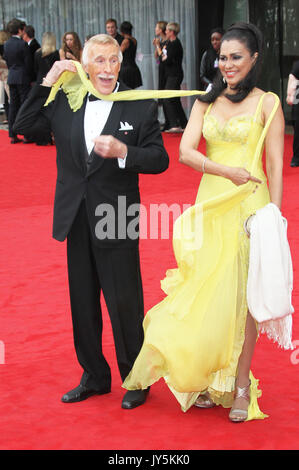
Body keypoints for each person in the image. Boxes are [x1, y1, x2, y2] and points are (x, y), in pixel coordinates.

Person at [123, 22, 284, 423]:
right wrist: (223, 170)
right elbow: (187, 152)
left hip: (251, 207)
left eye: (236, 57)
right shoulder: (205, 101)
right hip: (210, 205)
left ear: (254, 59)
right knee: (208, 293)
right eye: (222, 57)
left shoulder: (269, 104)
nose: (226, 64)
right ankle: (214, 379)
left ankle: (242, 383)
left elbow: (278, 164)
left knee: (246, 300)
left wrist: (274, 218)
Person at [14, 34, 169, 409]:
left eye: (113, 60)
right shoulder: (67, 98)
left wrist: (123, 152)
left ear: (121, 62)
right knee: (82, 301)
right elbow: (22, 123)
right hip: (75, 214)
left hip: (116, 214)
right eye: (98, 61)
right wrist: (47, 80)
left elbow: (159, 159)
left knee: (124, 302)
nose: (106, 68)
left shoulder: (139, 103)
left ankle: (136, 377)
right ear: (84, 65)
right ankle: (94, 376)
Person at [3, 18, 32, 143]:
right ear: (20, 30)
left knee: (13, 105)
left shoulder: (6, 44)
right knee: (25, 105)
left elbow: (7, 61)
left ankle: (12, 134)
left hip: (12, 76)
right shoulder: (22, 44)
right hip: (22, 76)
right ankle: (25, 134)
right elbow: (28, 63)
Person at [33, 32, 59, 145]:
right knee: (50, 110)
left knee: (39, 110)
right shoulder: (55, 53)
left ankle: (41, 137)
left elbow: (35, 69)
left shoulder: (37, 53)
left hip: (40, 83)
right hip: (51, 83)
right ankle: (50, 135)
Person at [162, 22, 187, 133]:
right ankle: (184, 123)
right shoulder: (169, 43)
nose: (165, 32)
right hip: (170, 74)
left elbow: (167, 60)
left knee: (167, 98)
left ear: (172, 32)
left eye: (167, 30)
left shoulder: (175, 44)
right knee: (175, 99)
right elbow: (162, 57)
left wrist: (164, 58)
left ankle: (174, 124)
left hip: (174, 74)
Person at [153, 21, 168, 129]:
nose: (155, 30)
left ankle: (172, 121)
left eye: (157, 28)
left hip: (168, 71)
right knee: (162, 95)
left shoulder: (167, 42)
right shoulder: (162, 41)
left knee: (167, 96)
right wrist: (157, 46)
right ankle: (167, 120)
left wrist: (158, 45)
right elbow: (156, 56)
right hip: (162, 70)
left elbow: (163, 56)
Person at [119, 21, 142, 89]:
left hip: (126, 69)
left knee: (126, 89)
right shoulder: (134, 40)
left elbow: (119, 53)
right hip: (133, 67)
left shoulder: (126, 41)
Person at [286, 60, 299, 167]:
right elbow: (292, 80)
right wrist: (290, 95)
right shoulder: (298, 65)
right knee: (298, 129)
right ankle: (297, 157)